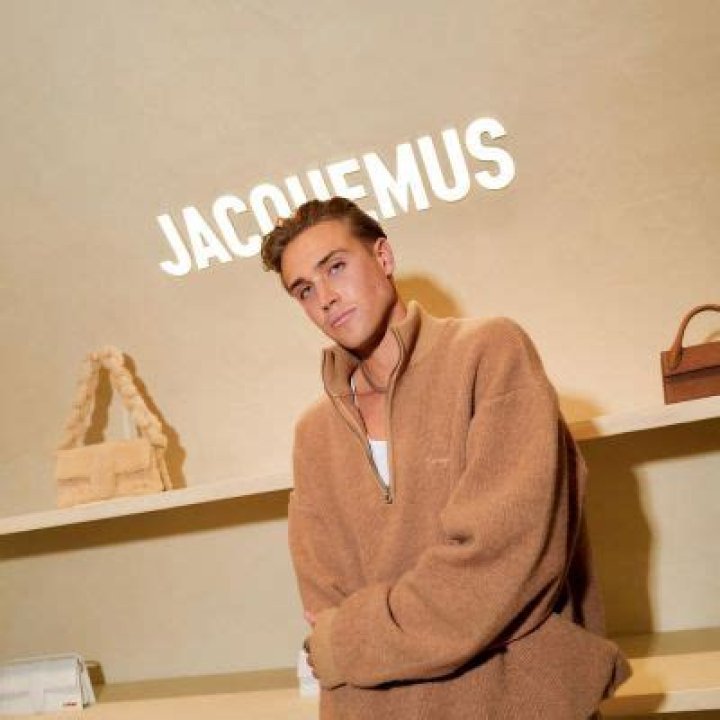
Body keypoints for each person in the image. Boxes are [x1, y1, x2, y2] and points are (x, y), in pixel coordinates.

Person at [260, 197, 630, 719]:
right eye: (304, 290)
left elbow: (501, 568)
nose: (325, 298)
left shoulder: (488, 352)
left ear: (383, 257)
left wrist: (353, 644)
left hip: (513, 704)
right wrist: (359, 639)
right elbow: (327, 608)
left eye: (335, 267)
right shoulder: (313, 434)